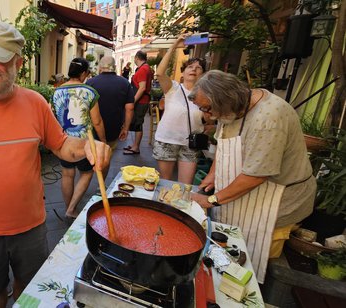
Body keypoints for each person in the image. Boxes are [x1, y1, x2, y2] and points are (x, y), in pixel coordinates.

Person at [0, 21, 111, 308]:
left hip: (31, 227)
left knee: (28, 290)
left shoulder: (34, 103)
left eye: (0, 58)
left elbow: (63, 146)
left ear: (18, 62)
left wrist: (90, 146)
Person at [189, 70, 316, 282]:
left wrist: (211, 200)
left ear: (224, 100)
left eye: (208, 109)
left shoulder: (268, 118)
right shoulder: (231, 108)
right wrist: (213, 173)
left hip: (277, 200)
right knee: (229, 251)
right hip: (245, 195)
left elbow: (256, 176)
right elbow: (223, 143)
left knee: (252, 259)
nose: (208, 116)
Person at [51, 57, 106, 219]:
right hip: (84, 143)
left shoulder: (56, 91)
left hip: (64, 143)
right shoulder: (90, 92)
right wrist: (102, 141)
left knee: (67, 174)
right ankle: (72, 208)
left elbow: (53, 117)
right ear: (83, 73)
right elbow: (97, 121)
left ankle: (69, 207)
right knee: (87, 173)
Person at [153, 35, 207, 184]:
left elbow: (209, 120)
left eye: (198, 68)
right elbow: (159, 73)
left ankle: (179, 208)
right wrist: (174, 45)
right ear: (183, 72)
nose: (194, 70)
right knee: (166, 182)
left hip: (191, 143)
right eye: (190, 67)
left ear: (203, 74)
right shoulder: (174, 88)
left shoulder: (206, 94)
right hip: (167, 140)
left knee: (185, 186)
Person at [85, 55, 134, 153]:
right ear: (114, 67)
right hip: (114, 128)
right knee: (107, 155)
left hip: (92, 129)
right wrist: (126, 128)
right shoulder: (125, 83)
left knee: (92, 155)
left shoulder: (90, 83)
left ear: (100, 67)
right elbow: (130, 108)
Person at [123, 50, 153, 155]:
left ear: (136, 58)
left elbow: (142, 88)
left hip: (141, 101)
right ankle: (135, 144)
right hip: (143, 100)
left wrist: (133, 100)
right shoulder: (146, 68)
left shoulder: (143, 69)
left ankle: (136, 147)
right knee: (137, 123)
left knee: (138, 124)